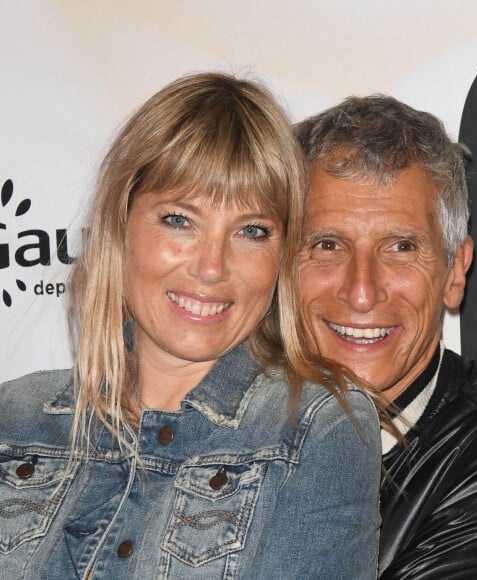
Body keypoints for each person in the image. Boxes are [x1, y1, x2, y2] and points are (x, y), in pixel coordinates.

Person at [0, 73, 383, 579]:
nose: (211, 266)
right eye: (179, 219)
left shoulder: (314, 428)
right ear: (120, 224)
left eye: (252, 231)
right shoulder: (13, 419)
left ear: (281, 256)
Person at [295, 94, 477, 579]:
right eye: (327, 245)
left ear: (454, 272)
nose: (362, 291)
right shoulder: (201, 419)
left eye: (401, 247)